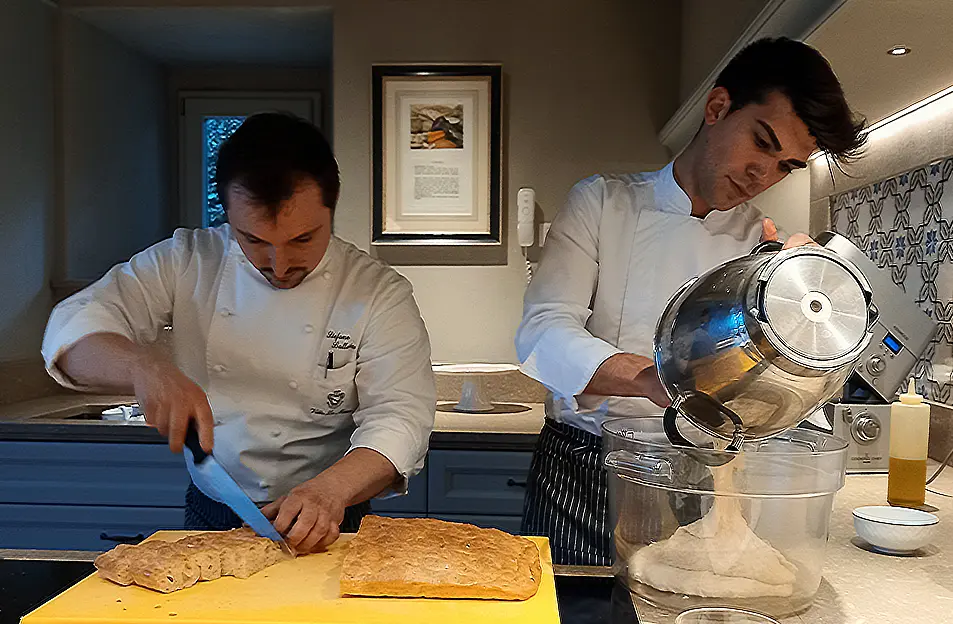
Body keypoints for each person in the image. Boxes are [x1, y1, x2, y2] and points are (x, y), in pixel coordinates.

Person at [515, 37, 866, 566]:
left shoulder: (765, 252)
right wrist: (653, 380)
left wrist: (809, 294)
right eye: (761, 142)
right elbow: (542, 333)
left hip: (700, 477)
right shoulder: (604, 203)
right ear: (717, 107)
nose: (762, 175)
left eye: (786, 166)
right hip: (584, 471)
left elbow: (782, 393)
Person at [42, 113, 436, 553]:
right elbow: (74, 325)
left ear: (333, 206)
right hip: (212, 511)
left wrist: (331, 491)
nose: (279, 265)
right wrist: (143, 367)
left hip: (330, 517)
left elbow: (401, 417)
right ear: (227, 215)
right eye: (253, 240)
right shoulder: (185, 261)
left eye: (303, 239)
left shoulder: (378, 292)